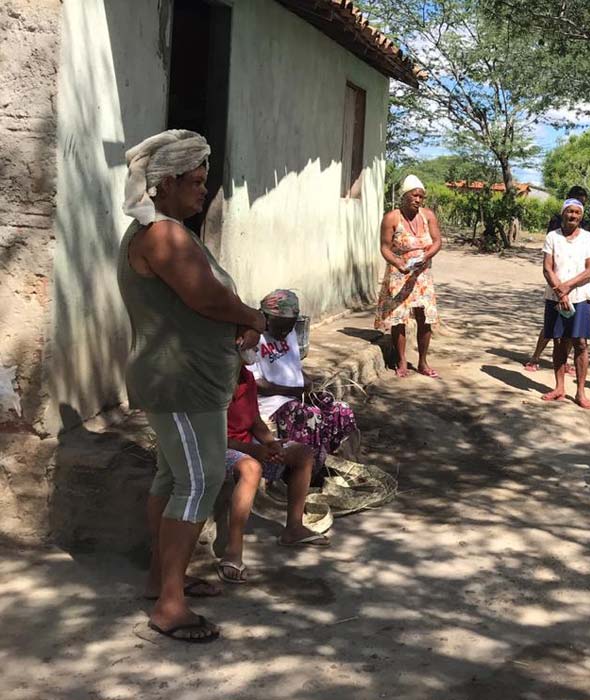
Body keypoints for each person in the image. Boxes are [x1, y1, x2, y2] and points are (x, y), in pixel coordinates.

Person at [118, 130, 269, 643]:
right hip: (179, 379)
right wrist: (252, 316)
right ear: (165, 183)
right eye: (197, 181)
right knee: (200, 481)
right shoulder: (162, 234)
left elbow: (203, 299)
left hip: (186, 377)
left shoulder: (165, 230)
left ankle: (161, 580)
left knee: (173, 476)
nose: (205, 190)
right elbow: (205, 298)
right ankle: (170, 605)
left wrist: (239, 321)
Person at [219, 353, 330, 584]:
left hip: (248, 444)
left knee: (303, 454)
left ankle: (294, 528)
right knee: (251, 469)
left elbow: (255, 421)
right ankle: (233, 550)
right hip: (218, 448)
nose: (254, 349)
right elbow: (213, 436)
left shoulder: (246, 377)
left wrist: (271, 443)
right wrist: (255, 451)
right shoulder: (214, 381)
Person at [253, 289, 358, 473]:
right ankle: (309, 472)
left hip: (294, 396)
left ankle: (334, 465)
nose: (286, 331)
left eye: (290, 326)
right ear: (267, 318)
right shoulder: (254, 338)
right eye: (282, 326)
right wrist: (294, 391)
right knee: (310, 415)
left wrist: (307, 382)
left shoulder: (290, 332)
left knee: (341, 410)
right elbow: (257, 384)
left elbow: (293, 366)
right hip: (271, 404)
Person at [375, 174, 442, 378]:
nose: (418, 200)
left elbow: (437, 241)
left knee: (424, 316)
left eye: (421, 197)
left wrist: (426, 256)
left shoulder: (428, 216)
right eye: (414, 196)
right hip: (399, 273)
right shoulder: (392, 218)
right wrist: (398, 264)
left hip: (422, 275)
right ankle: (402, 360)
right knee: (399, 318)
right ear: (404, 196)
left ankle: (422, 362)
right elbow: (385, 248)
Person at [526, 185, 590, 373]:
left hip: (577, 284)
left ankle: (566, 362)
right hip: (557, 282)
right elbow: (550, 260)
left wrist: (575, 283)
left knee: (572, 331)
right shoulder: (556, 223)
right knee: (552, 327)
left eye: (581, 204)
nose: (574, 214)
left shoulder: (585, 228)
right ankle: (536, 357)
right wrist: (559, 287)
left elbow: (589, 264)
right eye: (577, 201)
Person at [540, 198, 590, 409]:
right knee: (559, 341)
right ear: (563, 213)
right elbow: (547, 268)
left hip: (580, 297)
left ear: (581, 215)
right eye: (569, 211)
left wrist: (568, 287)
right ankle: (559, 387)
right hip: (555, 297)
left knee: (580, 342)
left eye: (576, 212)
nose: (572, 215)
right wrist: (560, 292)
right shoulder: (552, 237)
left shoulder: (588, 238)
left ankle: (580, 391)